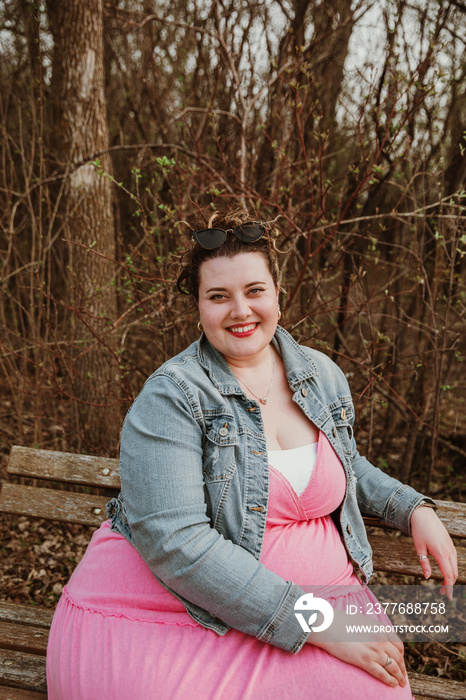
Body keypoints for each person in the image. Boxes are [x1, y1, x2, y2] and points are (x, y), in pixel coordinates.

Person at [46, 210, 458, 699]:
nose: (240, 310)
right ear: (198, 307)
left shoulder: (319, 374)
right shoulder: (173, 395)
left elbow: (343, 464)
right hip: (167, 616)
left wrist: (411, 507)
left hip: (315, 608)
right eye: (219, 296)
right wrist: (315, 621)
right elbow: (174, 541)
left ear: (277, 293)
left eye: (254, 290)